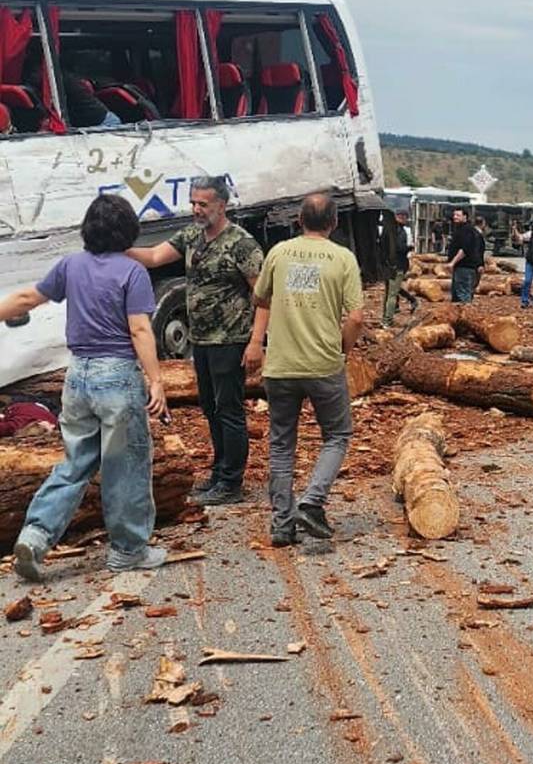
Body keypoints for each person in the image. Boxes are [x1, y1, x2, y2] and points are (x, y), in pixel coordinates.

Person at [0, 193, 169, 579]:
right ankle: (128, 550)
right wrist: (156, 380)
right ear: (128, 231)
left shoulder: (70, 265)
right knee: (125, 465)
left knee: (75, 463)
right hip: (117, 377)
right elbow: (139, 328)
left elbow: (28, 298)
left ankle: (36, 534)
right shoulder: (132, 272)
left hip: (77, 377)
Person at [130, 175, 262, 505]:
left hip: (231, 339)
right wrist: (116, 249)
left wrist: (256, 341)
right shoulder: (192, 236)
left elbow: (264, 297)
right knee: (209, 406)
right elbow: (155, 257)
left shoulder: (241, 244)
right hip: (200, 340)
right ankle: (218, 471)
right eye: (193, 203)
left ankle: (232, 482)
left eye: (203, 204)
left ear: (222, 205)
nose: (196, 210)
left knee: (229, 408)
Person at [244, 192, 363, 546]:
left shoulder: (279, 253)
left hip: (281, 364)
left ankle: (282, 525)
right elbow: (356, 317)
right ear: (334, 222)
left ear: (299, 220)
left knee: (282, 445)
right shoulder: (343, 258)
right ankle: (312, 501)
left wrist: (257, 342)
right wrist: (344, 347)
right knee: (337, 435)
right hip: (323, 362)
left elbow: (260, 298)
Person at [380, 208, 419, 328]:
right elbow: (399, 248)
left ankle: (386, 318)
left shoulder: (387, 230)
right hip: (398, 265)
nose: (403, 219)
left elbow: (383, 247)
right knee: (392, 293)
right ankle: (387, 320)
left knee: (389, 292)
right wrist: (409, 247)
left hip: (387, 265)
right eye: (402, 217)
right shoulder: (400, 231)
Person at [446, 207, 481, 303]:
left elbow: (464, 250)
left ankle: (467, 315)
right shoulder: (459, 229)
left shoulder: (467, 230)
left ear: (465, 216)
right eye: (454, 215)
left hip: (464, 267)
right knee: (456, 296)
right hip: (459, 268)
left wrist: (452, 262)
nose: (455, 217)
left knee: (463, 296)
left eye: (458, 215)